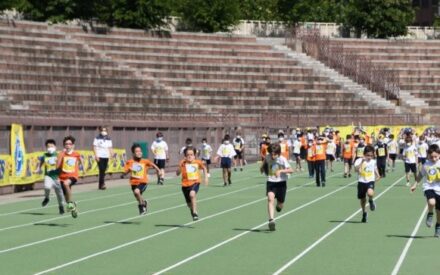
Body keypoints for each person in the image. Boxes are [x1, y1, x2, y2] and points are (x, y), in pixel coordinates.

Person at [260, 143, 293, 231]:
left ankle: (279, 206)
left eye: (275, 154)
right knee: (270, 199)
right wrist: (262, 168)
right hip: (271, 182)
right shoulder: (267, 157)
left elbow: (291, 170)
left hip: (281, 183)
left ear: (278, 153)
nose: (273, 156)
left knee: (280, 205)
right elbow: (264, 164)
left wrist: (281, 170)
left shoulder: (282, 159)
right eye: (271, 154)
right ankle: (271, 220)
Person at [122, 143, 162, 215]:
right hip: (133, 183)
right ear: (133, 153)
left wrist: (159, 170)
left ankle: (141, 206)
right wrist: (126, 172)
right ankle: (144, 202)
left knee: (137, 192)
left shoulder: (145, 161)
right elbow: (124, 172)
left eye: (140, 151)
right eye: (137, 151)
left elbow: (153, 164)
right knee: (138, 197)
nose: (139, 153)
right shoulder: (130, 162)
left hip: (143, 182)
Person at [410, 144, 440, 237]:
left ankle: (438, 226)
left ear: (439, 155)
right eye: (431, 157)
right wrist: (415, 184)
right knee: (431, 203)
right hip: (429, 186)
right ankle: (430, 213)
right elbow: (420, 175)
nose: (434, 159)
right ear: (428, 156)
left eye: (436, 156)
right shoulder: (426, 164)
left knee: (439, 212)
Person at [177, 147, 208, 221]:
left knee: (192, 194)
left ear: (194, 155)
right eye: (188, 155)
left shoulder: (197, 162)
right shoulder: (183, 163)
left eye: (191, 154)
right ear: (185, 155)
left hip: (195, 182)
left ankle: (194, 212)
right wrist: (180, 167)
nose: (189, 156)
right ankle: (192, 210)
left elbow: (204, 168)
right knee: (188, 204)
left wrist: (206, 178)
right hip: (185, 185)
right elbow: (177, 173)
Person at [57, 136, 84, 218]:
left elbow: (81, 160)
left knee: (66, 184)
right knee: (66, 198)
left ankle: (70, 204)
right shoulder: (61, 154)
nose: (68, 145)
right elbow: (57, 166)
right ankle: (73, 207)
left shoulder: (76, 154)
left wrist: (83, 168)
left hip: (73, 176)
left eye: (70, 144)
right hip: (62, 177)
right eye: (66, 144)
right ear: (64, 145)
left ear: (73, 145)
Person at [37, 139, 65, 214]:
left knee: (59, 194)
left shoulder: (58, 155)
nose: (50, 148)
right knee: (47, 187)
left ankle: (61, 206)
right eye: (48, 146)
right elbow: (41, 162)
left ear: (55, 147)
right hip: (48, 175)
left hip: (57, 177)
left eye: (51, 146)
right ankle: (47, 198)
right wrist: (38, 169)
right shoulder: (44, 155)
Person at [354, 145, 380, 223]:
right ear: (364, 154)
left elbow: (375, 168)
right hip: (361, 181)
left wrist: (378, 175)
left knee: (370, 193)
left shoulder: (373, 161)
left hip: (370, 181)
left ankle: (371, 201)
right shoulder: (359, 160)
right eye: (368, 155)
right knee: (363, 200)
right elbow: (355, 169)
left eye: (371, 156)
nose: (369, 157)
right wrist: (362, 162)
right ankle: (364, 213)